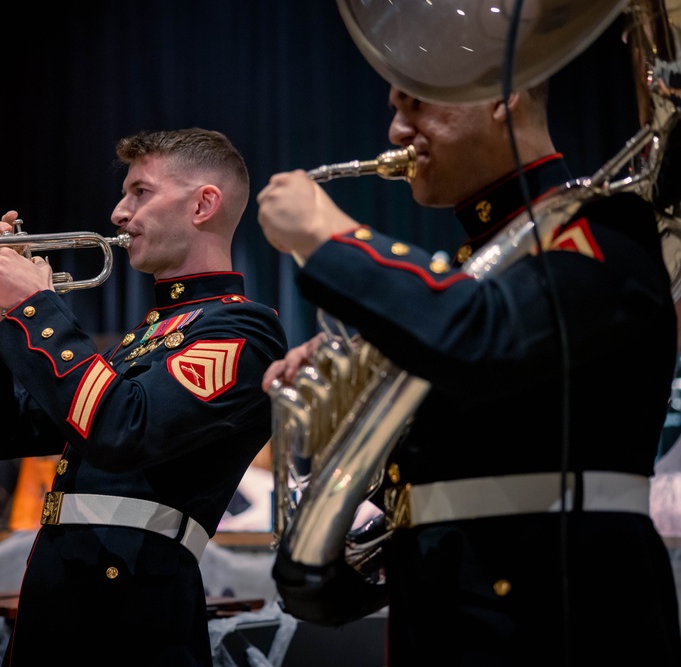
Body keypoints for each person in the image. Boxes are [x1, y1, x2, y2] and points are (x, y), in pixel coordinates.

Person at [257, 83, 681, 665]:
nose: (396, 132)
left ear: (503, 96)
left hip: (557, 620)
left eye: (417, 104)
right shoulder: (476, 274)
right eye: (394, 110)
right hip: (448, 612)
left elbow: (485, 340)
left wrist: (333, 238)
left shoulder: (605, 227)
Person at [0, 127, 288, 665]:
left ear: (203, 205)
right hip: (62, 588)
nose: (119, 213)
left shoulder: (242, 331)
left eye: (140, 192)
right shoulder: (141, 337)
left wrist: (35, 307)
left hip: (134, 605)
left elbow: (123, 429)